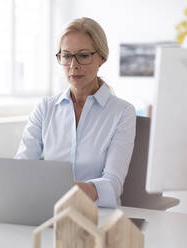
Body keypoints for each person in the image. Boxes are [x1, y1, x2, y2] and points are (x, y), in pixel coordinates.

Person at [14, 17, 136, 208]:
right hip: (48, 209)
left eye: (84, 55)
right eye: (66, 56)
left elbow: (113, 184)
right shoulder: (45, 108)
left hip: (97, 214)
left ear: (102, 57)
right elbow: (21, 167)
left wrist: (66, 189)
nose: (73, 65)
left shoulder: (122, 112)